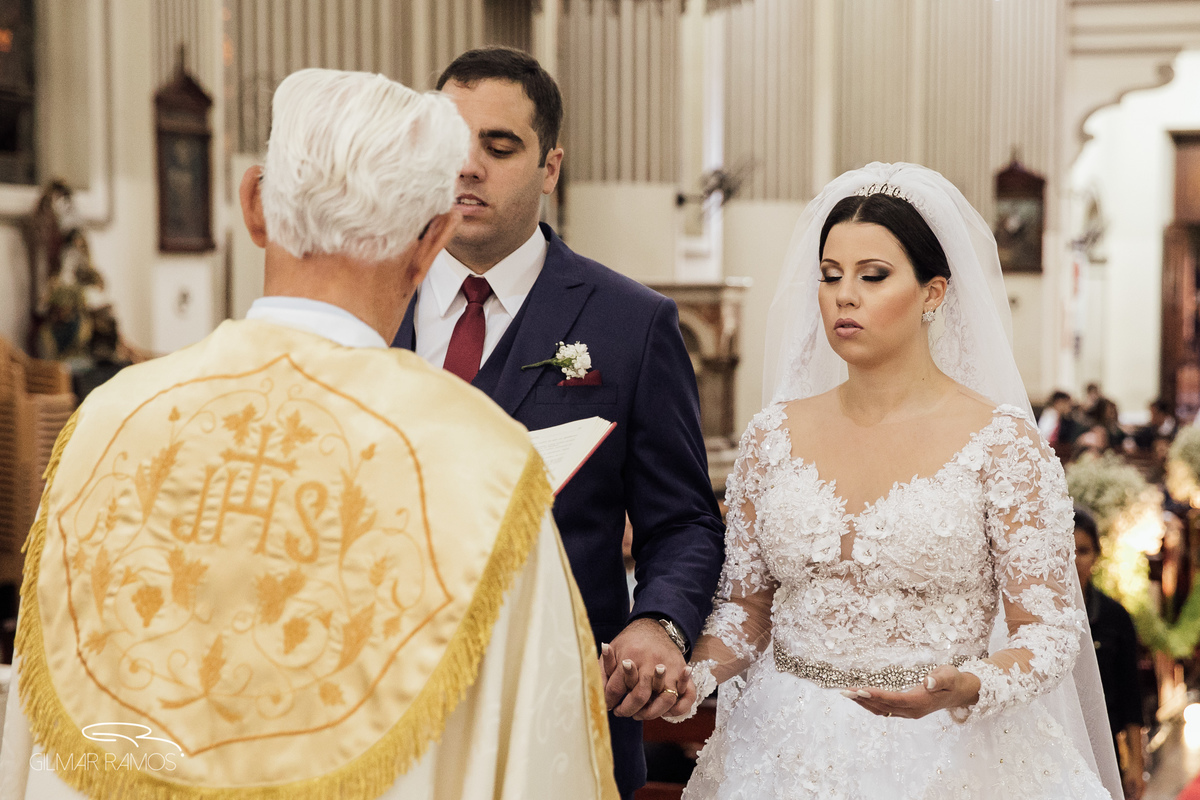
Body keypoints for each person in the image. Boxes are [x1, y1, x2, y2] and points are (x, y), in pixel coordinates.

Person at [0, 69, 617, 800]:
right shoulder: (479, 465)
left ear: (254, 207)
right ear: (433, 239)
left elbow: (44, 722)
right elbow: (538, 757)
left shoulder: (109, 421)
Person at [669, 163, 1121, 799]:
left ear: (933, 293)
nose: (843, 296)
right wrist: (694, 675)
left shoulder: (1002, 446)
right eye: (830, 277)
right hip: (780, 748)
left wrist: (973, 684)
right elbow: (747, 608)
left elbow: (1047, 630)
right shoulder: (773, 438)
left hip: (949, 750)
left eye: (872, 276)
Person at [391, 46, 725, 797]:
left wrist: (659, 623)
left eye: (499, 145)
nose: (467, 167)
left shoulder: (630, 325)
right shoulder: (370, 304)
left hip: (562, 712)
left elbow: (684, 524)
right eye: (449, 144)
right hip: (385, 711)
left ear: (551, 166)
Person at [1074, 506, 1146, 800]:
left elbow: (1131, 695)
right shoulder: (1034, 616)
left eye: (1083, 550)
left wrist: (1135, 766)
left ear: (1096, 555)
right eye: (1066, 550)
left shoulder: (1115, 616)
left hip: (1104, 741)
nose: (1074, 560)